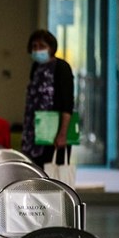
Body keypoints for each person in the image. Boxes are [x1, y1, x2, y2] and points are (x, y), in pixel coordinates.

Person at [22, 30, 74, 167]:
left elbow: (67, 103)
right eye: (34, 46)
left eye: (42, 46)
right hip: (34, 130)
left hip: (54, 130)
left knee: (51, 174)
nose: (37, 50)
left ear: (51, 48)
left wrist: (62, 134)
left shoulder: (61, 67)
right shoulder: (36, 67)